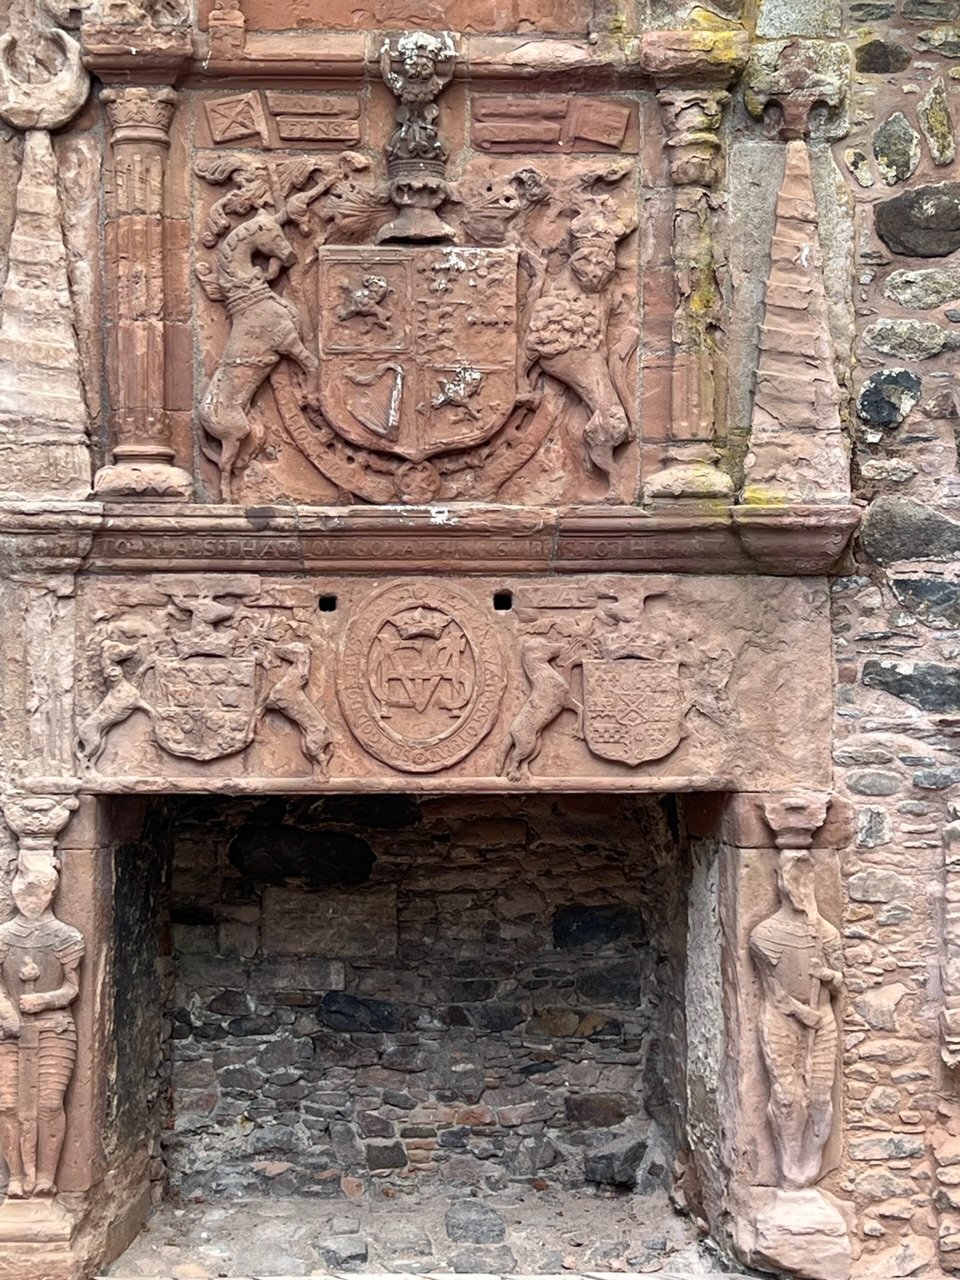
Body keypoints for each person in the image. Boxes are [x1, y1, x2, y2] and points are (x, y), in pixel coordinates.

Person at [750, 849, 842, 1189]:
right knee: (789, 1097)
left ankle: (812, 1163)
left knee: (819, 1095)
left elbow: (840, 982)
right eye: (793, 879)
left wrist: (827, 974)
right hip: (783, 1019)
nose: (800, 888)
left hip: (823, 1020)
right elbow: (774, 992)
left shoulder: (826, 933)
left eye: (806, 880)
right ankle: (788, 1163)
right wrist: (803, 1012)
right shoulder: (765, 935)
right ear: (779, 882)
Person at [0, 862, 83, 1198]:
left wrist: (45, 1000)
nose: (29, 898)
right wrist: (7, 1011)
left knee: (48, 1103)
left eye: (37, 890)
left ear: (51, 892)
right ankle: (16, 1178)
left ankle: (47, 1176)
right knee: (8, 1105)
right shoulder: (3, 937)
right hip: (10, 1031)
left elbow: (72, 989)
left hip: (54, 1029)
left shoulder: (66, 937)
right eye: (24, 890)